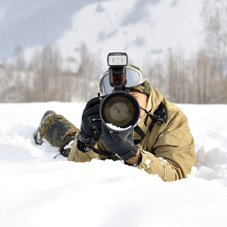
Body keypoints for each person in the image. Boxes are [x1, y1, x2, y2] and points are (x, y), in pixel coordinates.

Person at [33, 64, 196, 181]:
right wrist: (85, 141)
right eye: (117, 103)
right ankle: (49, 121)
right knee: (70, 143)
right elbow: (77, 172)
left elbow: (176, 172)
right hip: (99, 158)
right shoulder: (106, 118)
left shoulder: (171, 119)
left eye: (133, 97)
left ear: (148, 94)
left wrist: (134, 156)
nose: (125, 108)